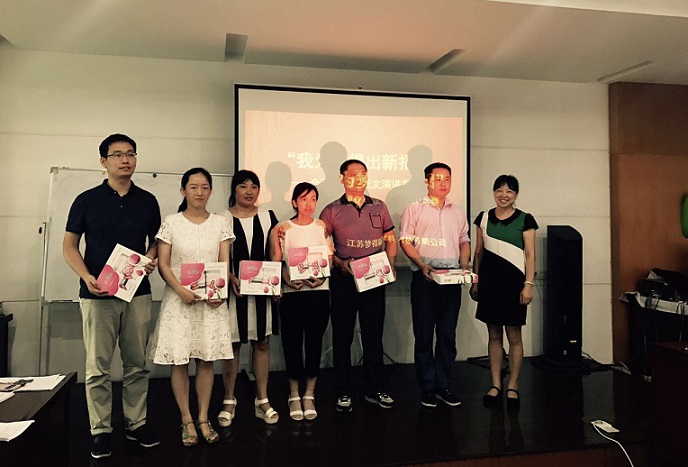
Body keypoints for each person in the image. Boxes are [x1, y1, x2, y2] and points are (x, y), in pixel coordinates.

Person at [63, 133, 161, 459]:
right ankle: (100, 430)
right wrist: (87, 277)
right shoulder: (86, 200)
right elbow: (69, 245)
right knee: (97, 368)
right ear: (103, 161)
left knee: (137, 364)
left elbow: (156, 242)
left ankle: (136, 423)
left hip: (137, 293)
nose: (125, 160)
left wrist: (149, 260)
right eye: (117, 154)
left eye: (130, 153)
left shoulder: (147, 200)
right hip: (96, 295)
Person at [148, 168, 235, 446]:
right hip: (179, 301)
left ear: (211, 191)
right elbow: (163, 263)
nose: (199, 192)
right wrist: (180, 290)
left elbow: (224, 261)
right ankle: (186, 419)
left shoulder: (220, 223)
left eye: (205, 187)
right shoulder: (171, 222)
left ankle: (203, 417)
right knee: (180, 360)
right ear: (183, 190)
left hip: (211, 302)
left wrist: (220, 291)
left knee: (207, 360)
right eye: (194, 187)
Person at [319, 159, 398, 412]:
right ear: (342, 178)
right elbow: (322, 247)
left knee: (373, 335)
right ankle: (343, 390)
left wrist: (391, 264)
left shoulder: (379, 206)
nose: (359, 179)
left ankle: (375, 388)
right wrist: (339, 263)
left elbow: (390, 239)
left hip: (374, 278)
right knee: (342, 336)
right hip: (344, 280)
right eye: (353, 174)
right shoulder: (331, 210)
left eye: (363, 174)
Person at [399, 162, 470, 408]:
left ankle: (444, 385)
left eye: (447, 178)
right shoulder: (414, 209)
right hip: (425, 278)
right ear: (426, 181)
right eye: (438, 178)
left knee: (448, 334)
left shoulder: (457, 212)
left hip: (451, 279)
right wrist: (422, 265)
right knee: (424, 334)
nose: (443, 183)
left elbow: (464, 240)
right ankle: (427, 387)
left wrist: (464, 265)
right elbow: (405, 241)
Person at [470, 175, 538, 411]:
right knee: (494, 335)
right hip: (489, 284)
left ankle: (513, 386)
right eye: (499, 190)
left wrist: (528, 284)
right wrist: (475, 280)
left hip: (514, 285)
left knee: (514, 336)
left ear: (516, 195)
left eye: (509, 191)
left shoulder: (526, 219)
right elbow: (478, 252)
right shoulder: (483, 217)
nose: (504, 195)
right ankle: (495, 384)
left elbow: (530, 255)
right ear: (493, 192)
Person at [219, 170, 280, 425]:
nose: (249, 191)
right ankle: (229, 399)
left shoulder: (268, 217)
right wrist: (229, 275)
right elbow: (218, 256)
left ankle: (262, 399)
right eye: (243, 186)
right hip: (234, 293)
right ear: (234, 190)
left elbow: (275, 253)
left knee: (262, 343)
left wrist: (276, 282)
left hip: (263, 293)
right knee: (232, 345)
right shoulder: (221, 219)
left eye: (254, 186)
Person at [270, 182, 333, 421]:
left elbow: (329, 257)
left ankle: (309, 394)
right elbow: (276, 260)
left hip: (319, 292)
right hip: (292, 294)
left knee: (315, 343)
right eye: (304, 199)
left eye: (313, 199)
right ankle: (294, 394)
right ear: (294, 202)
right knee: (292, 343)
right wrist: (285, 277)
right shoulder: (282, 228)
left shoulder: (322, 227)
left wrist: (322, 276)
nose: (309, 204)